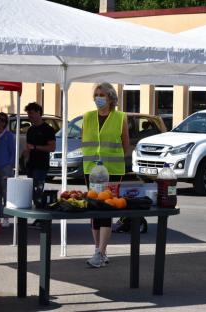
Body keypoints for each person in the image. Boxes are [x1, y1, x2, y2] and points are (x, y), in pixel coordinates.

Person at [82, 82, 130, 268]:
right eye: (96, 94)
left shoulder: (120, 117)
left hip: (113, 170)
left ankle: (101, 252)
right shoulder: (87, 117)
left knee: (107, 209)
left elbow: (126, 145)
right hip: (90, 170)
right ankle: (98, 250)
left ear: (111, 97)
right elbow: (84, 141)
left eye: (102, 94)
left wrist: (114, 158)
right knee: (95, 208)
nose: (98, 98)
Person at [23, 102, 56, 227]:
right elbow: (28, 147)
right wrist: (25, 156)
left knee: (38, 191)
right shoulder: (30, 130)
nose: (29, 116)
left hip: (41, 165)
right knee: (32, 192)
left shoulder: (48, 129)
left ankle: (42, 217)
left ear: (38, 112)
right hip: (30, 165)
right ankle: (38, 216)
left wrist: (35, 147)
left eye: (31, 113)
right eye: (28, 114)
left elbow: (52, 147)